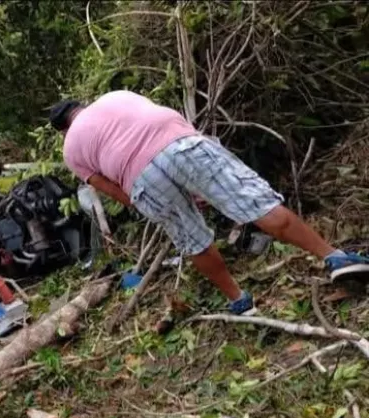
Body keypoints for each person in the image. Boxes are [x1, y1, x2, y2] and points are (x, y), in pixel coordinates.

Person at [49, 90, 369, 315]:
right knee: (255, 203)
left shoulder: (71, 149)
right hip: (181, 144)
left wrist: (142, 202)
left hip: (141, 179)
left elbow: (110, 188)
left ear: (64, 130)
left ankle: (240, 301)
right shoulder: (114, 96)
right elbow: (164, 118)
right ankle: (335, 258)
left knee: (193, 240)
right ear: (82, 106)